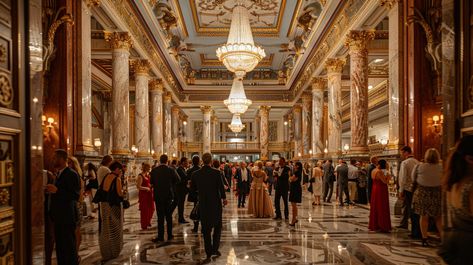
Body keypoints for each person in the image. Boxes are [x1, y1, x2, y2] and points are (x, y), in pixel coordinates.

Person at [439, 135, 473, 264]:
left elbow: (446, 222)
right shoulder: (470, 186)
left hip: (455, 247)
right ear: (470, 159)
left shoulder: (452, 183)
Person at [190, 153, 227, 263]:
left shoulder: (195, 174)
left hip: (203, 204)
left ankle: (208, 251)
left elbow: (192, 192)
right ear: (211, 161)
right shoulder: (217, 173)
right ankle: (215, 249)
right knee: (217, 227)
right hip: (215, 204)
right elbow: (221, 188)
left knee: (206, 229)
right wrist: (224, 199)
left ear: (202, 160)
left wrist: (199, 194)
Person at [45, 149, 81, 265]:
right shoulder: (59, 174)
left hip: (67, 217)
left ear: (62, 159)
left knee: (69, 248)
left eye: (55, 158)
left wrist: (57, 190)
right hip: (59, 217)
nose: (53, 160)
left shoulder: (71, 174)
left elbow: (75, 195)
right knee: (60, 248)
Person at [411, 148, 442, 246]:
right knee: (438, 217)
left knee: (424, 217)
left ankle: (424, 239)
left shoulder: (419, 166)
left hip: (422, 192)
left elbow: (413, 178)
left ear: (426, 156)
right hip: (437, 193)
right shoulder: (442, 167)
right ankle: (443, 238)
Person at [98, 161, 125, 261]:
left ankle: (105, 252)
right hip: (113, 206)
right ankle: (114, 251)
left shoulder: (106, 176)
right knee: (115, 227)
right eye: (120, 170)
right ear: (117, 169)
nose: (121, 172)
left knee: (105, 228)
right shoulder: (116, 178)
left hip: (104, 205)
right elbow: (119, 193)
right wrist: (123, 193)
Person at [150, 154, 179, 242]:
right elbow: (178, 180)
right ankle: (170, 235)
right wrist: (170, 185)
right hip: (168, 196)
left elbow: (152, 183)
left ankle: (160, 236)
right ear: (167, 161)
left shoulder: (154, 170)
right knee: (169, 216)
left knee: (160, 217)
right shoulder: (171, 170)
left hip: (158, 196)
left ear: (160, 160)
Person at [397, 146, 420, 238]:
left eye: (402, 153)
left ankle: (408, 225)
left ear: (406, 152)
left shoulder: (405, 163)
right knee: (411, 207)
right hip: (416, 188)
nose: (401, 155)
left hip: (407, 188)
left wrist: (401, 190)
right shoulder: (417, 162)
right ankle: (404, 223)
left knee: (407, 207)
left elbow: (403, 177)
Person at [67, 156, 84, 255]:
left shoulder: (76, 176)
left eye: (69, 163)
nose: (68, 165)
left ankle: (76, 252)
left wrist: (78, 204)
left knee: (77, 229)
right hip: (74, 204)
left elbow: (79, 194)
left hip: (77, 204)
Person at [368, 159, 391, 233]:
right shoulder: (379, 171)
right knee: (382, 206)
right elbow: (385, 181)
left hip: (375, 189)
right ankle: (382, 225)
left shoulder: (373, 170)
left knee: (375, 206)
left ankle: (374, 224)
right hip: (381, 190)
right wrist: (388, 175)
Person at [136, 162, 154, 230]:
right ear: (146, 168)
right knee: (144, 210)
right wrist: (146, 188)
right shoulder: (140, 176)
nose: (150, 169)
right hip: (144, 194)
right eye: (149, 168)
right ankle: (144, 224)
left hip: (149, 194)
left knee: (151, 208)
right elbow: (138, 186)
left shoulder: (147, 175)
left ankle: (148, 221)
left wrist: (150, 186)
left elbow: (148, 183)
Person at [187, 155, 201, 233]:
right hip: (202, 193)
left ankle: (195, 228)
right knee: (202, 210)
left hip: (194, 193)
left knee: (196, 210)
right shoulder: (201, 170)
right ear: (199, 161)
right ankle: (203, 227)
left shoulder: (189, 171)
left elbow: (188, 183)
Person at [176, 157, 190, 224]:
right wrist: (187, 180)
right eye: (187, 161)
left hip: (182, 190)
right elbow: (180, 180)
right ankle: (181, 218)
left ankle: (181, 218)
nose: (188, 163)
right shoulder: (179, 169)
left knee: (181, 204)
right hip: (180, 190)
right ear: (183, 162)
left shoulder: (182, 169)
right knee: (180, 205)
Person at [289, 162, 303, 226]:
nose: (294, 166)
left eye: (294, 165)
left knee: (293, 205)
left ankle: (293, 220)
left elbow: (292, 179)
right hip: (295, 188)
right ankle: (295, 218)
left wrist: (290, 177)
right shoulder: (298, 172)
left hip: (295, 189)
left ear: (297, 166)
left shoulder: (297, 172)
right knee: (294, 205)